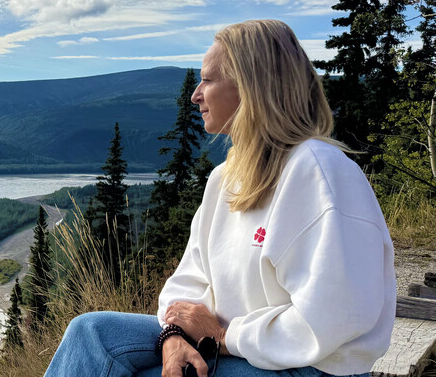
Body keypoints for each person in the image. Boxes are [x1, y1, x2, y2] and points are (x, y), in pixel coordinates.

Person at [43, 19, 396, 377]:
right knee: (90, 333)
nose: (195, 94)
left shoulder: (320, 173)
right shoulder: (225, 178)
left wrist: (223, 337)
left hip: (308, 367)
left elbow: (334, 318)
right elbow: (188, 280)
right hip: (233, 347)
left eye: (208, 80)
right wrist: (175, 334)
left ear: (251, 87)